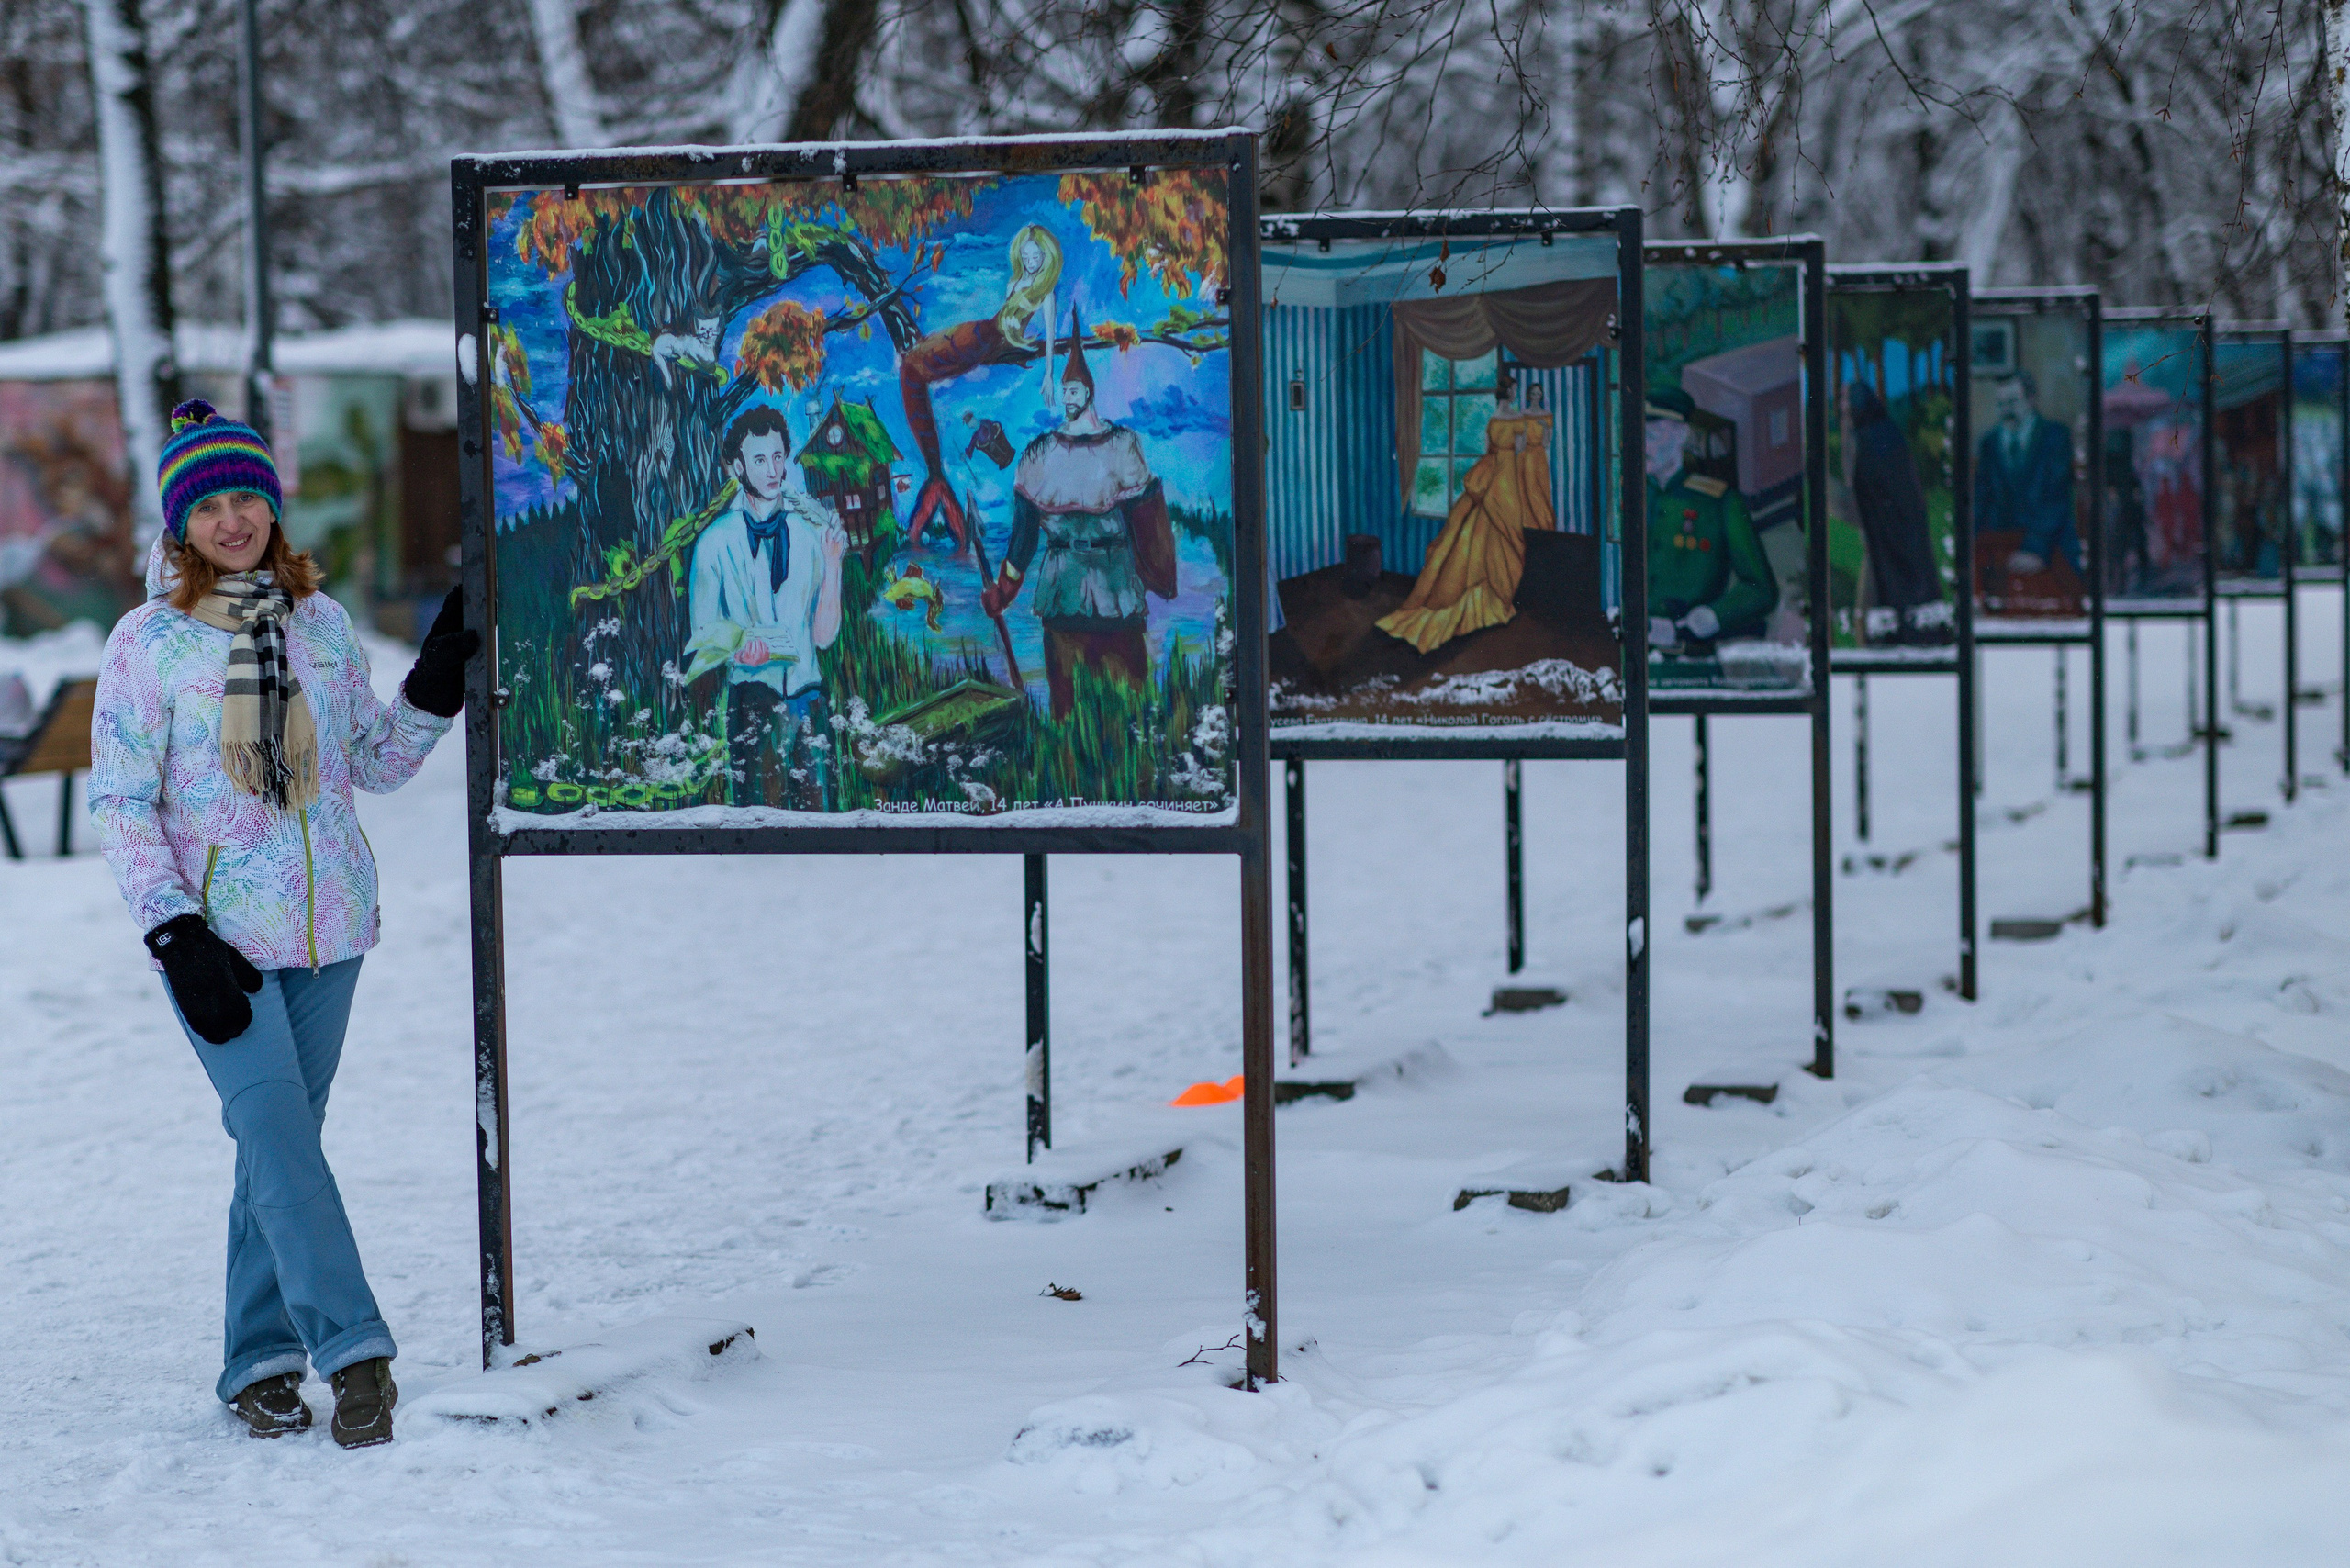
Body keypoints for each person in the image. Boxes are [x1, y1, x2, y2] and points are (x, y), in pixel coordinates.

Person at [87, 400, 478, 1448]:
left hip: (333, 929)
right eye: (208, 504)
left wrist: (438, 678)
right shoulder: (148, 645)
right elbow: (121, 804)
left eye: (245, 497)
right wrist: (174, 933)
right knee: (276, 1134)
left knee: (280, 1146)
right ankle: (355, 1352)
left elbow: (377, 761)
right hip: (219, 945)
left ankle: (256, 1360)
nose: (232, 519)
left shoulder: (322, 624)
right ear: (180, 527)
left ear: (272, 506)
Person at [980, 315, 1173, 719]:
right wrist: (1003, 592)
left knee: (1131, 701)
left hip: (1116, 588)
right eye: (1065, 389)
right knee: (1066, 707)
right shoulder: (1038, 456)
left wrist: (1159, 576)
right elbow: (1022, 541)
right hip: (1061, 588)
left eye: (1074, 389)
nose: (1068, 397)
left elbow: (1148, 522)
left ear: (1089, 391)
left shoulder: (1122, 446)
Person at [687, 406, 847, 809]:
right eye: (760, 459)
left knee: (818, 823)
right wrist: (737, 648)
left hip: (810, 699)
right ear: (736, 467)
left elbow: (824, 639)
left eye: (778, 457)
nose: (773, 470)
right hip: (752, 700)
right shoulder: (713, 543)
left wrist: (834, 564)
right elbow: (701, 635)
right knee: (759, 824)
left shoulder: (809, 532)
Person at [898, 224, 1063, 550]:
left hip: (983, 343)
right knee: (911, 366)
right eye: (1026, 255)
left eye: (1037, 256)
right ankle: (936, 483)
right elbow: (1001, 326)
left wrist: (1048, 375)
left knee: (911, 366)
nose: (1031, 261)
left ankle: (936, 485)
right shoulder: (1015, 283)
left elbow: (1049, 335)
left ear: (1047, 259)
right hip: (980, 338)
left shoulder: (1045, 294)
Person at [1378, 371, 1556, 655]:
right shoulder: (1517, 421)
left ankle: (1486, 593)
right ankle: (1496, 597)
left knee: (1485, 531)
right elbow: (1521, 451)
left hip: (1494, 476)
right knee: (1507, 536)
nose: (1516, 394)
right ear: (1509, 393)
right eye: (1514, 391)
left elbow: (1489, 451)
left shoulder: (1493, 421)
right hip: (1508, 478)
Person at [1639, 386, 1776, 652]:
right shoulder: (1628, 495)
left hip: (1689, 656)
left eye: (1651, 436)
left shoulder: (1719, 502)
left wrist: (1710, 618)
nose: (1642, 446)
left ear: (1682, 436)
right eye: (1637, 434)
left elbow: (1761, 589)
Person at [1841, 378, 1951, 644]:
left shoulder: (1874, 438)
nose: (1843, 409)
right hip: (1896, 527)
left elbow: (1868, 486)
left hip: (1893, 528)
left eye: (1846, 403)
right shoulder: (1881, 433)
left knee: (1899, 585)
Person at [1974, 371, 2079, 577]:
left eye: (2013, 402)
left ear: (2031, 400)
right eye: (2000, 404)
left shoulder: (2055, 438)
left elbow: (2055, 500)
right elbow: (1981, 500)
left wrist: (2035, 549)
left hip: (2050, 545)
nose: (2006, 411)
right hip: (2000, 546)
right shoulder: (1990, 442)